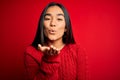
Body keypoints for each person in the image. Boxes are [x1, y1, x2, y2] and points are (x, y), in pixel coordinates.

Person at [24, 2, 87, 80]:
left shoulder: (78, 51)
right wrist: (49, 59)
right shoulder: (31, 52)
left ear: (66, 28)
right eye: (47, 19)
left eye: (59, 19)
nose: (53, 23)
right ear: (42, 25)